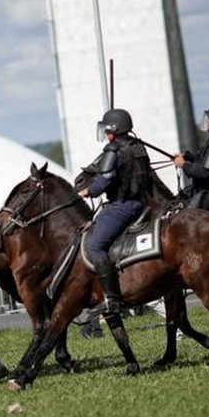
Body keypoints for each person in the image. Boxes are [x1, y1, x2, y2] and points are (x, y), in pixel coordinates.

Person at [78, 108, 153, 314]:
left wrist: (88, 191)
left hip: (122, 206)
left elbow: (104, 180)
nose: (105, 133)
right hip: (142, 202)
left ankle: (112, 298)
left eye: (107, 129)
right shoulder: (138, 147)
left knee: (94, 247)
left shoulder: (113, 150)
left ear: (114, 130)